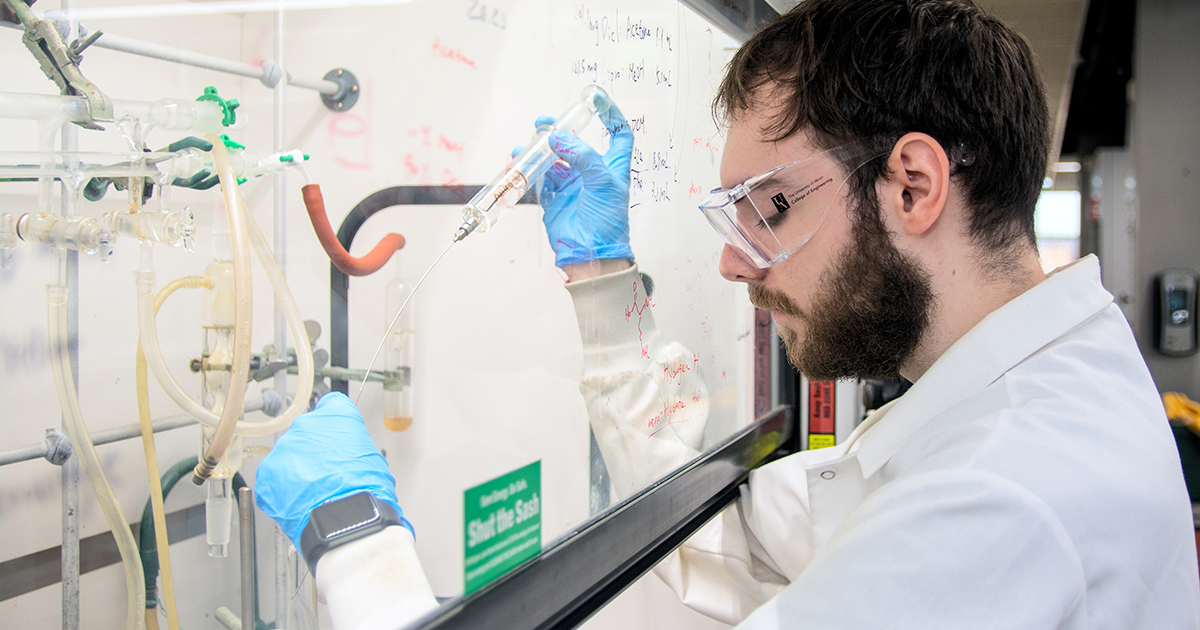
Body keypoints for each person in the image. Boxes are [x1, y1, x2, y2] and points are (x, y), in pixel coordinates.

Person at [255, 0, 1200, 628]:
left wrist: (359, 551)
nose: (730, 257)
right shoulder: (1005, 393)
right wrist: (601, 279)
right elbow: (729, 538)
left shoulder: (1004, 498)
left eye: (771, 207)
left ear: (912, 184)